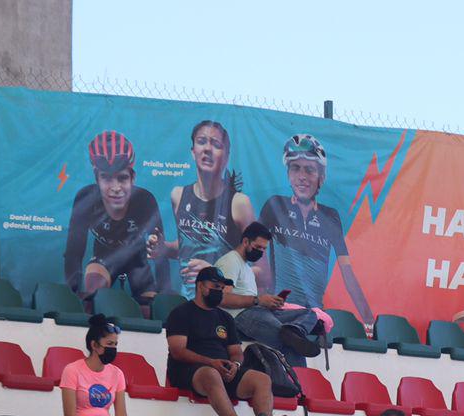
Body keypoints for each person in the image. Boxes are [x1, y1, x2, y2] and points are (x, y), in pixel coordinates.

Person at [255, 133, 374, 322]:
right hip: (278, 309)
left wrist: (369, 322)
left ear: (322, 177)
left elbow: (347, 273)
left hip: (313, 315)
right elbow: (254, 258)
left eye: (310, 170)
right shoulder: (275, 204)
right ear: (288, 174)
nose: (302, 177)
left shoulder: (330, 217)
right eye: (295, 168)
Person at [163, 266, 288, 416]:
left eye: (222, 288)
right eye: (214, 286)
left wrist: (235, 365)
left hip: (223, 371)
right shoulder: (181, 313)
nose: (219, 291)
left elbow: (236, 351)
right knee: (211, 373)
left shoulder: (225, 318)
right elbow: (178, 351)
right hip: (189, 371)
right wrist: (212, 362)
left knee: (262, 379)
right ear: (200, 286)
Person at [147, 119, 254, 296]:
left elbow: (262, 273)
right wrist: (163, 249)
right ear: (193, 152)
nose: (207, 149)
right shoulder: (178, 195)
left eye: (216, 144)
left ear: (226, 156)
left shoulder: (238, 203)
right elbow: (187, 247)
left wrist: (217, 273)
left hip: (224, 302)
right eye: (201, 141)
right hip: (189, 302)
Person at [63, 130, 165, 309]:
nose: (115, 187)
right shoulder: (86, 199)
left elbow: (160, 254)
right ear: (97, 178)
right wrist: (73, 293)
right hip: (104, 256)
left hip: (136, 259)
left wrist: (165, 296)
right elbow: (74, 251)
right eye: (106, 178)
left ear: (132, 177)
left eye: (122, 178)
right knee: (91, 299)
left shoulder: (145, 200)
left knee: (150, 308)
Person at [212, 221, 322, 365]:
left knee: (310, 314)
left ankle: (292, 331)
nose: (261, 252)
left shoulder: (246, 266)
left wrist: (269, 304)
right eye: (258, 247)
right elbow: (221, 298)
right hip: (242, 316)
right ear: (245, 241)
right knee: (292, 345)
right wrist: (258, 300)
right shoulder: (230, 261)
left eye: (264, 249)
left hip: (260, 312)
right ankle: (299, 383)